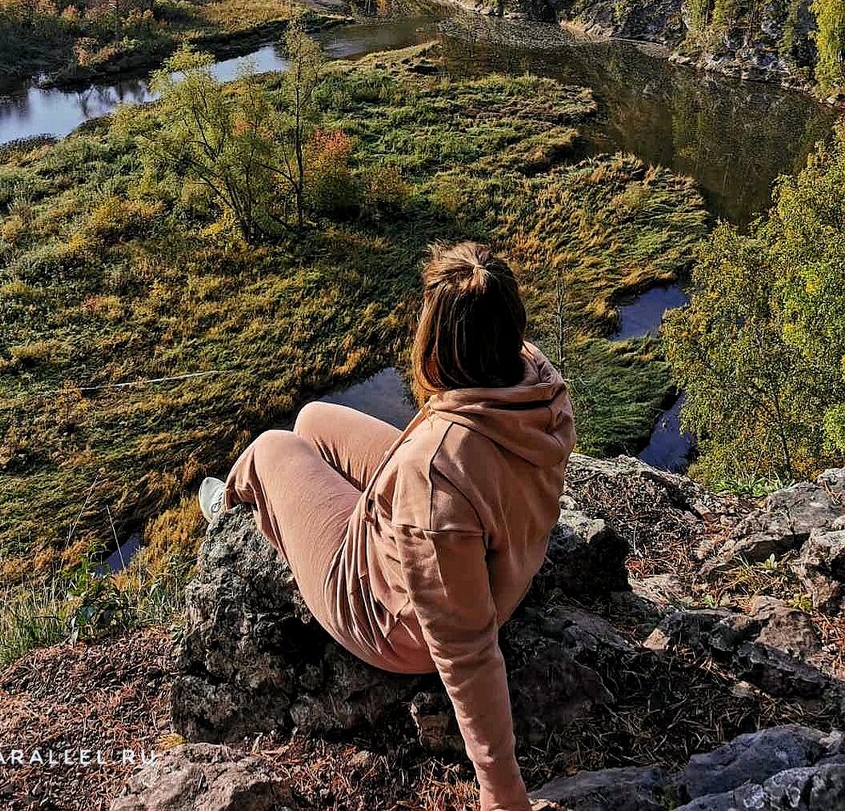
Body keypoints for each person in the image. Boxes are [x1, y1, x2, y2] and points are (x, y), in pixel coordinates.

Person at [198, 241, 575, 811]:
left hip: (387, 619)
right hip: (495, 552)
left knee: (271, 448)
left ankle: (227, 508)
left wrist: (503, 794)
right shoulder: (535, 380)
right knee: (313, 420)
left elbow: (467, 652)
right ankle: (317, 497)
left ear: (436, 346)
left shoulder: (436, 474)